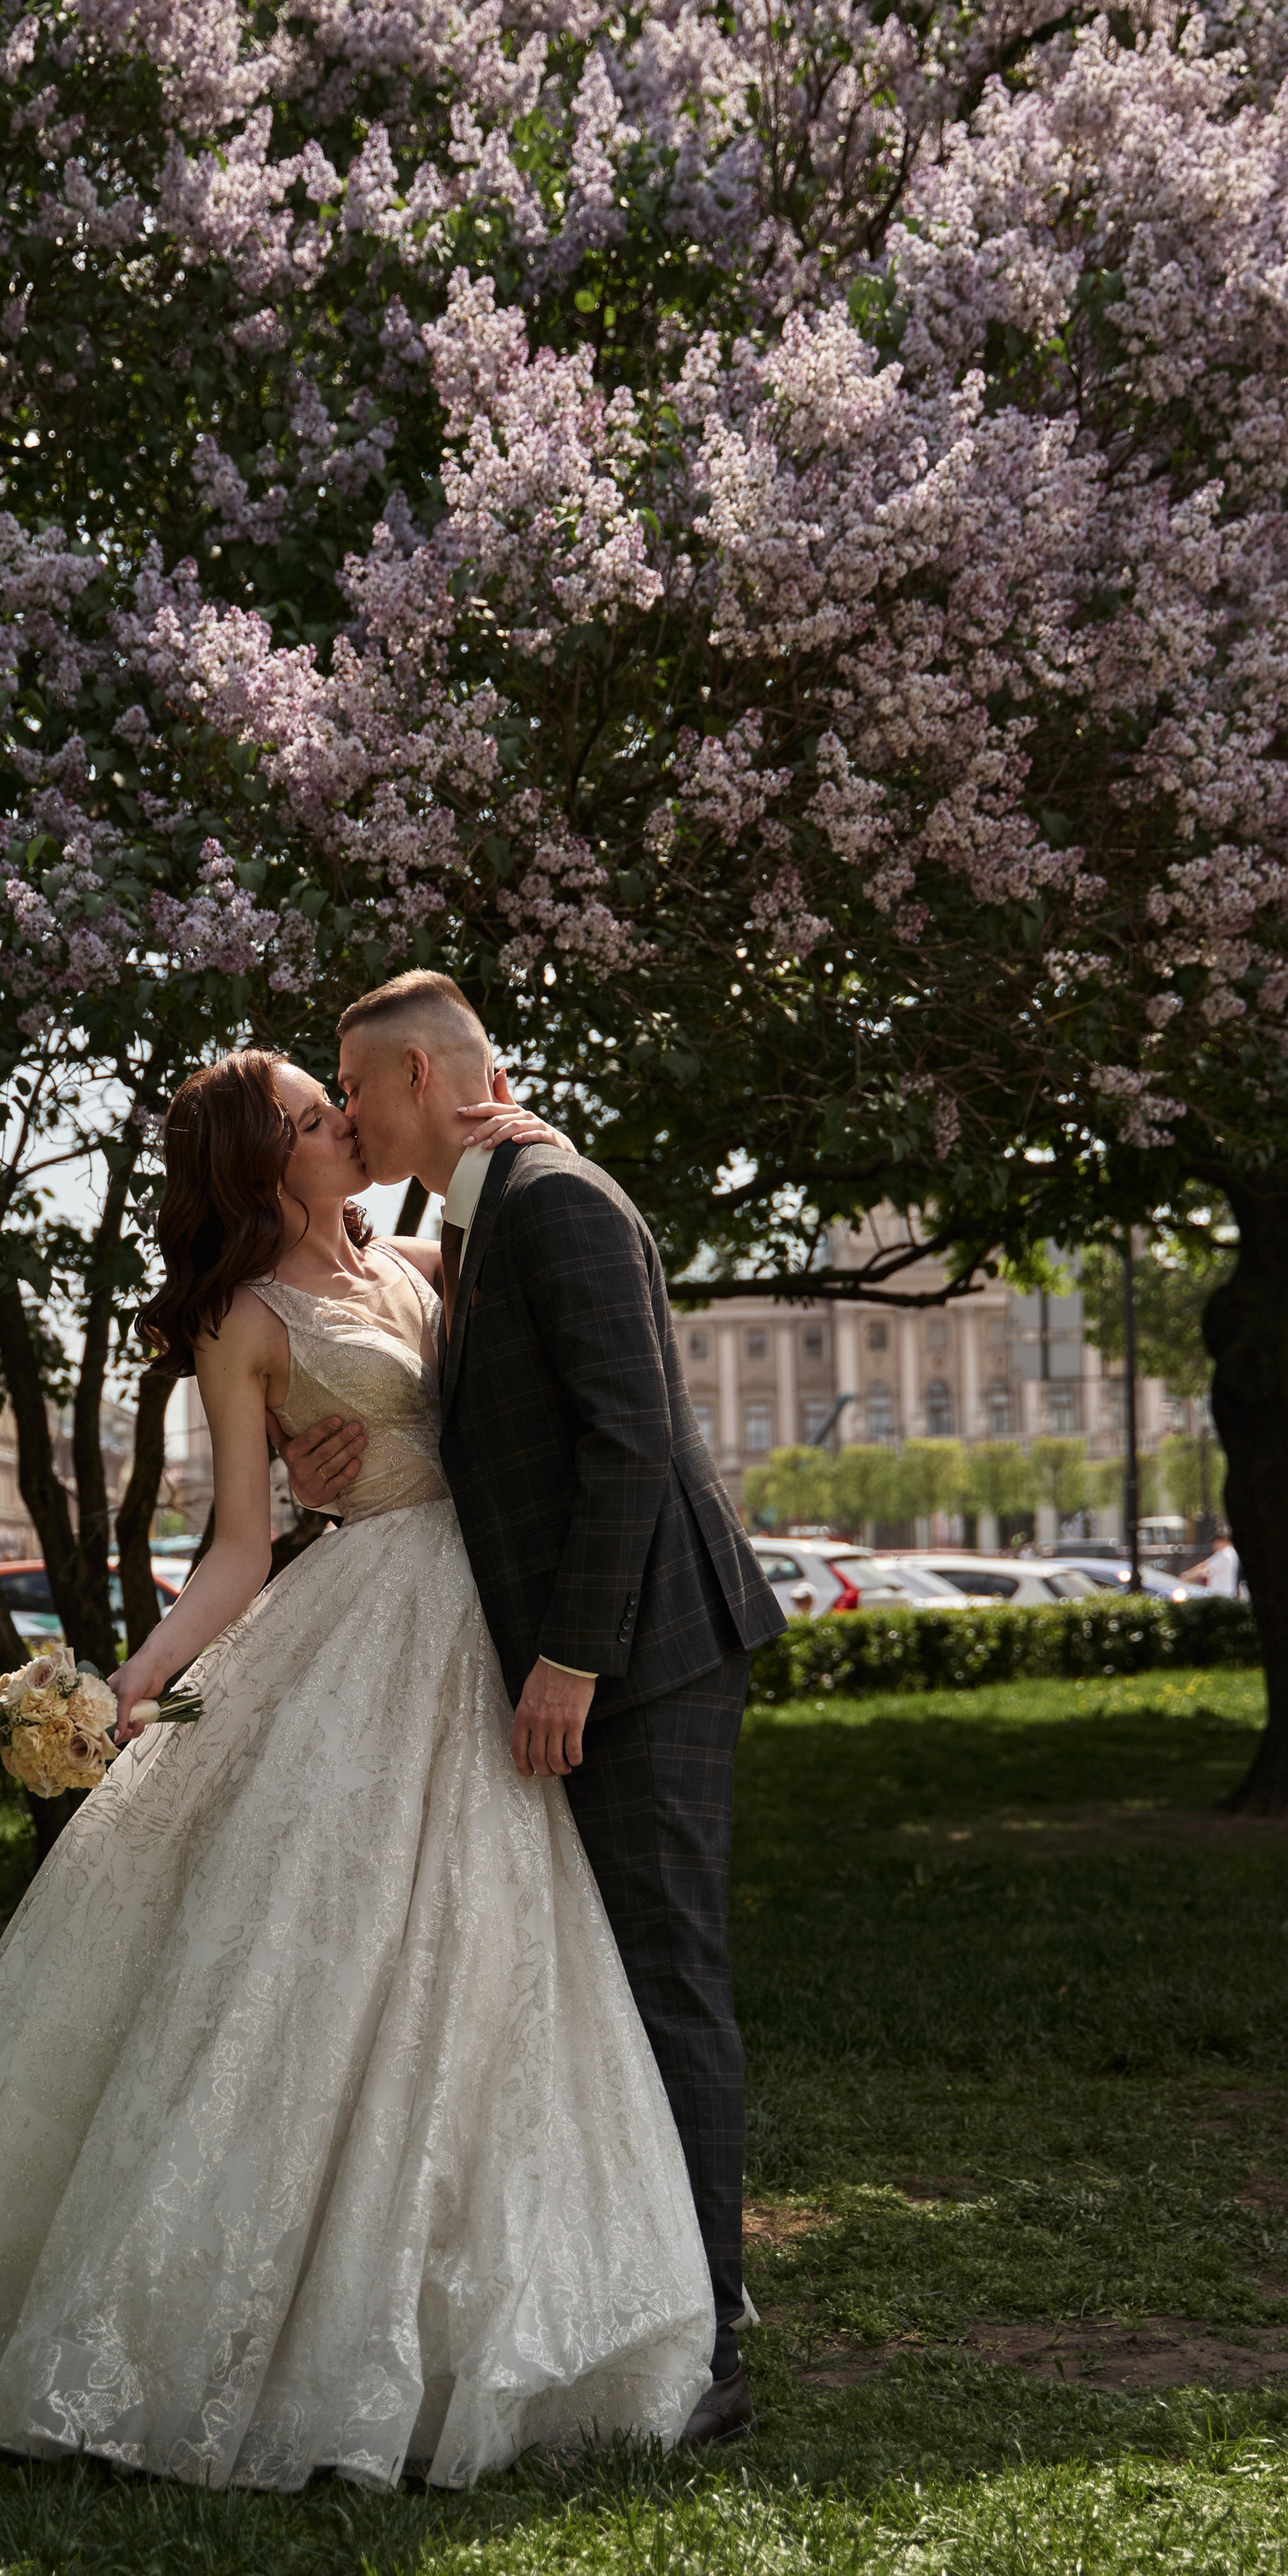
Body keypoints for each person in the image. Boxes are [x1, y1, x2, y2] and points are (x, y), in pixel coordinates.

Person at [0, 1048, 717, 2491]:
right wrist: (123, 1690)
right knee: (311, 1961)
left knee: (487, 1963)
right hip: (365, 1629)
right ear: (264, 1164)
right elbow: (237, 1546)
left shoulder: (426, 1262)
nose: (345, 1124)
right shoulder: (246, 1322)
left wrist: (530, 1130)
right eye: (312, 1117)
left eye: (338, 1101)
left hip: (483, 1620)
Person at [310, 973, 790, 2448]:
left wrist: (572, 1659)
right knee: (627, 1981)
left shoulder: (556, 1196)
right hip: (612, 1652)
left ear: (409, 1074)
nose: (343, 1118)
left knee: (665, 1978)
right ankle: (662, 2297)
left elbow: (633, 1439)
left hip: (649, 1654)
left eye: (351, 1090)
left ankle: (705, 2344)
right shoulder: (489, 1206)